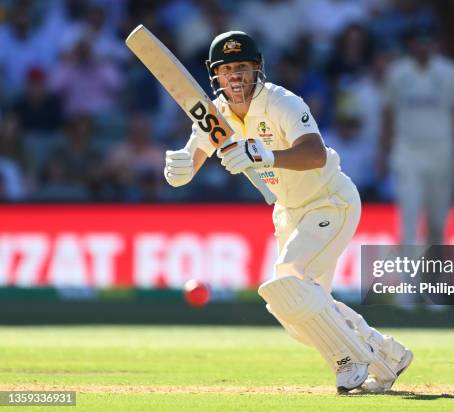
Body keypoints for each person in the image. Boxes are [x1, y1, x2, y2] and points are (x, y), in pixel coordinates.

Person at [163, 31, 412, 393]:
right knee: (297, 314)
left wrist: (266, 155)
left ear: (257, 70)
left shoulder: (282, 102)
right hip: (290, 211)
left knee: (289, 280)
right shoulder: (214, 114)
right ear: (214, 75)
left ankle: (347, 362)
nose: (235, 76)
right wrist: (182, 168)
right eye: (227, 69)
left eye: (243, 68)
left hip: (329, 200)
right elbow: (196, 153)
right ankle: (386, 353)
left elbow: (316, 155)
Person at [380, 25, 454, 244]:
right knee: (409, 218)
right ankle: (409, 278)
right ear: (411, 44)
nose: (422, 47)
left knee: (438, 222)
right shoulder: (397, 73)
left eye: (427, 41)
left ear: (435, 44)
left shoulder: (450, 73)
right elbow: (388, 113)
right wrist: (383, 152)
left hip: (442, 153)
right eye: (418, 42)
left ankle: (432, 276)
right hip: (407, 152)